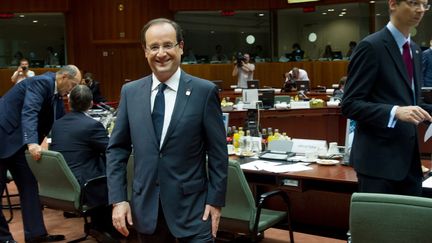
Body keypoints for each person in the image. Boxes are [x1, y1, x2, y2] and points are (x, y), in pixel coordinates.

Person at [106, 18, 228, 243]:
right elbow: (117, 150)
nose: (161, 53)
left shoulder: (204, 92)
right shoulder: (130, 93)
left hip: (194, 211)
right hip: (145, 211)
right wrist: (118, 200)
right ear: (145, 51)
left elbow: (218, 153)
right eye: (154, 47)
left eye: (167, 45)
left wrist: (215, 201)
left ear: (180, 47)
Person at [341, 0, 432, 196]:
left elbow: (411, 103)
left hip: (409, 162)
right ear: (393, 4)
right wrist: (394, 112)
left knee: (409, 225)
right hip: (377, 164)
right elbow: (349, 104)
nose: (421, 10)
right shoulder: (371, 47)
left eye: (425, 4)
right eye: (414, 2)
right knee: (379, 226)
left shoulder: (415, 50)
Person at [0, 65, 82, 243]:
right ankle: (4, 239)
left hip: (17, 143)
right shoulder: (42, 82)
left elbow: (59, 123)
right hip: (3, 137)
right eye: (74, 84)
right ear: (64, 77)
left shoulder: (57, 96)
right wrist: (31, 142)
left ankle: (36, 235)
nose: (73, 89)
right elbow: (30, 111)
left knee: (29, 186)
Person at [50, 85, 119, 243]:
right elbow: (112, 151)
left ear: (69, 101)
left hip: (62, 183)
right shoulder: (92, 126)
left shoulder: (57, 125)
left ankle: (98, 225)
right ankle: (107, 228)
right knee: (115, 173)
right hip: (85, 186)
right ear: (91, 104)